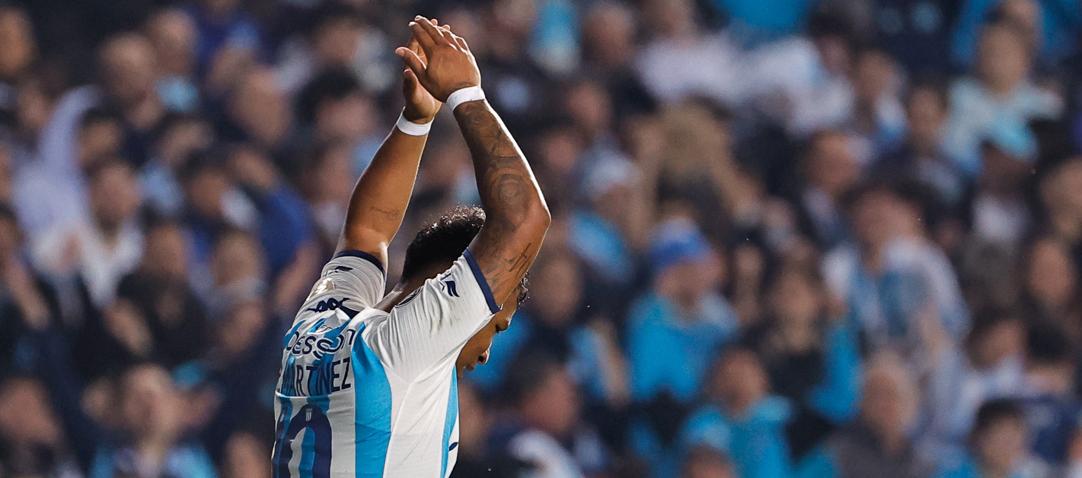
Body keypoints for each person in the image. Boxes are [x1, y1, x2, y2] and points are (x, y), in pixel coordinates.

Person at [271, 17, 550, 477]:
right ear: (444, 286)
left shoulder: (317, 324)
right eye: (494, 325)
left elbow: (366, 231)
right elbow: (524, 221)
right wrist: (467, 94)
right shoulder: (405, 349)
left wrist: (416, 120)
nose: (484, 353)